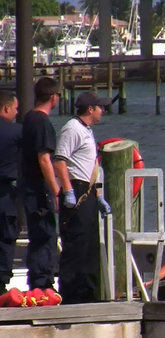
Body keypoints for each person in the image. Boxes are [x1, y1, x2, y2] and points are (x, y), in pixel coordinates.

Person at [54, 91, 112, 304]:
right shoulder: (72, 129)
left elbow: (91, 166)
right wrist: (68, 191)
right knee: (76, 245)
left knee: (90, 245)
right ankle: (71, 295)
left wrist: (98, 195)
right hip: (76, 190)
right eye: (100, 107)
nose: (103, 111)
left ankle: (88, 293)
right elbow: (60, 161)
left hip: (87, 191)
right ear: (90, 109)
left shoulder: (86, 130)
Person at [19, 77, 62, 290]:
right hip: (38, 189)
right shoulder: (42, 122)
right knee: (46, 234)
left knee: (38, 235)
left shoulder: (28, 118)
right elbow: (44, 158)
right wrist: (56, 190)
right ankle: (43, 283)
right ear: (54, 97)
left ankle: (38, 280)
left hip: (27, 186)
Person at [0, 91, 20, 294]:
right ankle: (1, 282)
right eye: (15, 109)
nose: (16, 112)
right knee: (6, 236)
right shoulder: (16, 132)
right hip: (6, 192)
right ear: (6, 108)